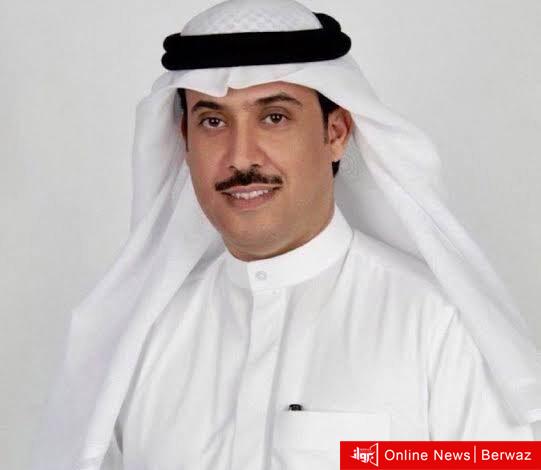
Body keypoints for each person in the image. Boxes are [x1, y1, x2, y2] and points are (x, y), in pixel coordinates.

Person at [30, 1, 540, 469]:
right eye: (213, 122)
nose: (241, 156)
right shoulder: (142, 340)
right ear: (184, 140)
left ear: (335, 133)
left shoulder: (439, 325)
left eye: (274, 117)